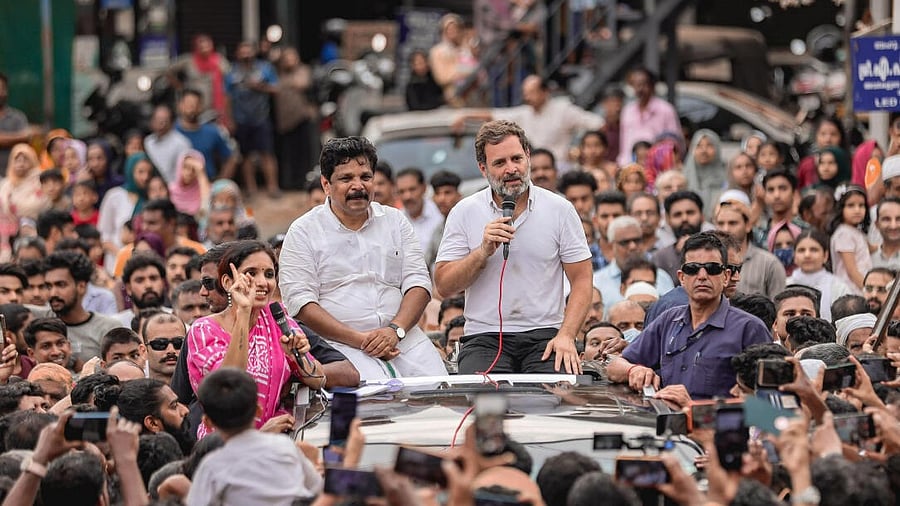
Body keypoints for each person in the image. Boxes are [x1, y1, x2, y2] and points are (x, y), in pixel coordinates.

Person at [434, 120, 592, 374]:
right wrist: (482, 252)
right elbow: (444, 285)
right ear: (483, 168)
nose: (511, 169)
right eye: (499, 163)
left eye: (516, 159)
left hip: (547, 335)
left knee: (554, 404)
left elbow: (583, 281)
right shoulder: (464, 211)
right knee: (485, 409)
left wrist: (566, 335)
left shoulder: (560, 209)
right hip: (484, 336)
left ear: (528, 156)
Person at [280, 137, 444, 379]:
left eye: (365, 177)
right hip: (340, 347)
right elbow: (301, 304)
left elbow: (418, 282)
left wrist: (394, 330)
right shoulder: (303, 231)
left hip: (404, 339)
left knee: (440, 400)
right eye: (346, 179)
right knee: (371, 408)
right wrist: (361, 340)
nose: (358, 186)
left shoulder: (395, 221)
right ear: (326, 184)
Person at [608, 232, 771, 398]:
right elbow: (614, 367)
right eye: (692, 269)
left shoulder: (750, 329)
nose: (702, 276)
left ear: (726, 276)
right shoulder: (668, 320)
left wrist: (695, 409)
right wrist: (634, 369)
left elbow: (769, 404)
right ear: (682, 278)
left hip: (718, 423)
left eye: (712, 269)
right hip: (666, 422)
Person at [187, 240, 324, 438]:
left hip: (273, 444)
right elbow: (228, 387)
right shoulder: (204, 330)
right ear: (227, 282)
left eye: (269, 274)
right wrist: (243, 312)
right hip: (224, 448)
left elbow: (319, 380)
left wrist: (296, 356)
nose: (263, 282)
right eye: (251, 273)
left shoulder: (276, 319)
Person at [187, 367, 322, 505]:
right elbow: (316, 487)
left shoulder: (211, 467)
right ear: (258, 411)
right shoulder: (285, 446)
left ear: (207, 422)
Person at [454, 75, 604, 169]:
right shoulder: (524, 113)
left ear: (545, 92)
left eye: (531, 92)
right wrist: (465, 116)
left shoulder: (563, 109)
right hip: (531, 169)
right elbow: (493, 114)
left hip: (560, 167)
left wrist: (579, 150)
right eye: (525, 93)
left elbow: (597, 123)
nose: (527, 97)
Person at [40, 251, 123, 364]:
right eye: (48, 286)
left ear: (81, 286)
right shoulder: (38, 320)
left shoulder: (107, 328)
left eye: (61, 285)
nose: (53, 293)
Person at [226, 41, 280, 198]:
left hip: (261, 118)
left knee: (267, 153)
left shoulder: (264, 68)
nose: (246, 54)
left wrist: (260, 87)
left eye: (248, 51)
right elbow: (227, 97)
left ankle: (272, 187)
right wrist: (229, 119)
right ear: (237, 53)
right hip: (241, 119)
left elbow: (276, 88)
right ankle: (251, 188)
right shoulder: (232, 72)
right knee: (246, 155)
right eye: (242, 51)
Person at [593, 215, 674, 308]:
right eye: (625, 242)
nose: (633, 246)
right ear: (612, 246)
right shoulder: (597, 283)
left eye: (637, 240)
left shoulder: (662, 278)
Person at [714, 199, 785, 299]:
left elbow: (779, 306)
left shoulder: (769, 264)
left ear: (748, 225)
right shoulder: (709, 263)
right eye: (721, 223)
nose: (726, 229)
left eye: (732, 223)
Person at [97, 152, 153, 270]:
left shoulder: (151, 198)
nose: (145, 177)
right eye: (140, 172)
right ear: (130, 171)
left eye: (149, 172)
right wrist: (122, 255)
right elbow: (104, 233)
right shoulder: (115, 196)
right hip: (115, 263)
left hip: (144, 264)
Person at [617, 67, 680, 166]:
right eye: (636, 84)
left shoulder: (665, 109)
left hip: (658, 167)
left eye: (643, 84)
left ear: (652, 85)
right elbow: (624, 145)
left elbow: (674, 143)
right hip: (631, 167)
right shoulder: (627, 111)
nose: (639, 89)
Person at [274, 46, 317, 190]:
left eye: (292, 58)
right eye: (286, 58)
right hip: (284, 121)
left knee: (303, 153)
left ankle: (303, 182)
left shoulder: (303, 71)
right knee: (287, 154)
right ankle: (287, 182)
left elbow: (302, 84)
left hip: (301, 117)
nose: (289, 61)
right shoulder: (277, 74)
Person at [786, 230, 853, 322]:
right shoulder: (785, 284)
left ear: (825, 255)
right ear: (794, 256)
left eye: (814, 250)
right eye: (801, 250)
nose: (807, 255)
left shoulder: (839, 287)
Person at [175, 89, 237, 180]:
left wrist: (220, 182)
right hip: (179, 187)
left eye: (195, 104)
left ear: (201, 107)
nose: (192, 108)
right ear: (180, 106)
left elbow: (231, 158)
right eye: (188, 104)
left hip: (207, 183)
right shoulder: (171, 132)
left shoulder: (212, 131)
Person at [168, 33, 230, 121]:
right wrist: (179, 86)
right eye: (201, 46)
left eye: (207, 46)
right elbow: (169, 70)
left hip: (213, 110)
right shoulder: (188, 60)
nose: (204, 49)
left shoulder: (219, 60)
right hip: (192, 109)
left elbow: (229, 79)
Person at [829, 185, 872, 293]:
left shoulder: (855, 231)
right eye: (851, 205)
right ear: (841, 208)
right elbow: (851, 271)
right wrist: (869, 290)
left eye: (861, 205)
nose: (857, 210)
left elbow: (868, 249)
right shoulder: (844, 233)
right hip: (851, 290)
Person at [396, 167, 444, 253]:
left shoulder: (439, 214)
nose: (407, 196)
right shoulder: (396, 220)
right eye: (402, 191)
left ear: (424, 188)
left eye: (412, 189)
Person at [0, 144, 46, 233]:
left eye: (25, 160)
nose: (21, 164)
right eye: (17, 160)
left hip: (33, 224)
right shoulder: (6, 183)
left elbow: (38, 204)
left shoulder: (39, 180)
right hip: (6, 226)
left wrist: (15, 210)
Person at [144, 104, 193, 182]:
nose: (160, 124)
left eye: (164, 120)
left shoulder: (181, 143)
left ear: (171, 122)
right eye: (157, 119)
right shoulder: (148, 142)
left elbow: (188, 170)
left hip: (174, 190)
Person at [0, 72, 37, 173]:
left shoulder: (17, 117)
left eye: (2, 88)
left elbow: (26, 143)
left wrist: (26, 136)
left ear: (6, 91)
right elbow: (26, 136)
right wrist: (22, 136)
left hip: (13, 176)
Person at [683, 129, 727, 214]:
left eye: (709, 145)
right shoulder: (682, 180)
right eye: (698, 146)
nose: (704, 150)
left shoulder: (728, 178)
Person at [142, 312, 186, 384]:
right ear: (143, 351)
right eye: (160, 344)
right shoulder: (133, 391)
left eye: (178, 343)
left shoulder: (201, 388)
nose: (171, 350)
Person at [168, 149, 211, 219]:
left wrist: (201, 172)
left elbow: (206, 210)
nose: (189, 173)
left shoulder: (204, 190)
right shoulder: (170, 190)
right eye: (185, 167)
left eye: (194, 169)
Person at [871, 197, 900, 268]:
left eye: (899, 219)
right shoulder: (866, 257)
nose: (893, 226)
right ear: (877, 224)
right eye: (886, 219)